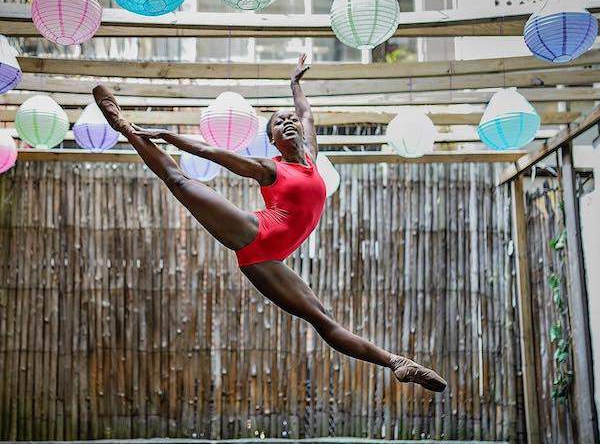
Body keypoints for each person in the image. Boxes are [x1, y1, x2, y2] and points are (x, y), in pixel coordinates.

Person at [92, 54, 447, 392]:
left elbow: (305, 112)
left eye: (289, 121)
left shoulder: (311, 155)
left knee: (323, 320)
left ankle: (397, 363)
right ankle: (123, 125)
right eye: (279, 124)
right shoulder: (270, 168)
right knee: (181, 181)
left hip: (269, 261)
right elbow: (217, 154)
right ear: (273, 140)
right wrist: (171, 137)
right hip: (254, 233)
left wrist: (294, 83)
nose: (288, 123)